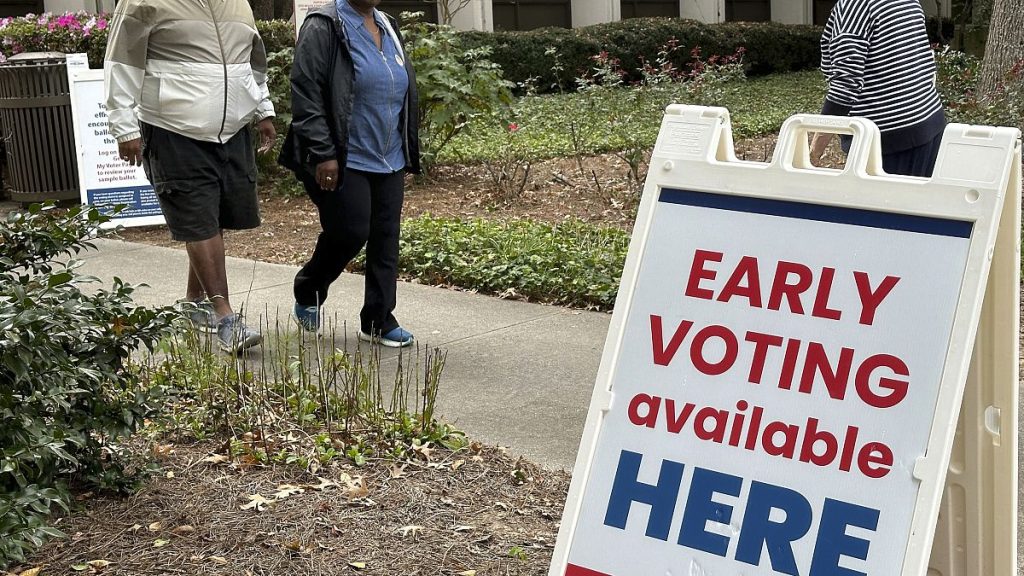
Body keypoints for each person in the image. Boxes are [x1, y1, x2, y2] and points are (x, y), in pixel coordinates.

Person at [104, 0, 277, 354]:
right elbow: (121, 62)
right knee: (198, 219)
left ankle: (194, 302)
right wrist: (124, 127)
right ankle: (225, 316)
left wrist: (262, 110)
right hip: (173, 129)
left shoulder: (236, 3)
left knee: (212, 219)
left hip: (231, 131)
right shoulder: (144, 1)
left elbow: (252, 62)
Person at [280, 0, 421, 348]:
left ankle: (378, 318)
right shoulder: (324, 25)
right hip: (344, 155)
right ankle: (310, 288)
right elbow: (306, 91)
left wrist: (407, 146)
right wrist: (323, 152)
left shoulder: (387, 24)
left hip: (388, 154)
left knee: (386, 238)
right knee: (351, 230)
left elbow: (402, 87)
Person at [811, 0, 946, 177]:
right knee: (916, 203)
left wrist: (814, 151)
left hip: (887, 140)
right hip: (929, 122)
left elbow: (845, 87)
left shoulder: (855, 5)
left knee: (880, 204)